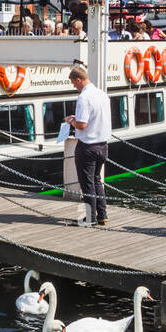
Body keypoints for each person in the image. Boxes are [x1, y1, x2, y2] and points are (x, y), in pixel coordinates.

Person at [64, 65, 111, 226]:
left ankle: (90, 218)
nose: (74, 87)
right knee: (97, 180)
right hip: (103, 145)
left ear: (79, 80)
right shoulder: (102, 94)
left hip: (88, 146)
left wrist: (71, 120)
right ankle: (102, 214)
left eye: (73, 83)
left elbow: (82, 125)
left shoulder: (84, 98)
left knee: (87, 183)